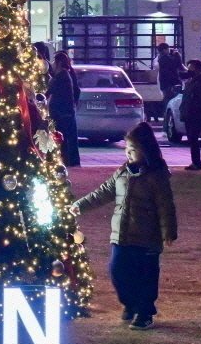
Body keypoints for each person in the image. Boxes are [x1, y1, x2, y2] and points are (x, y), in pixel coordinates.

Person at [76, 120, 177, 330]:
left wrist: (168, 231)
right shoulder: (122, 173)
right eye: (126, 149)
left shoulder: (157, 176)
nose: (128, 154)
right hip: (121, 235)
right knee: (117, 271)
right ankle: (130, 304)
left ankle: (144, 312)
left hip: (146, 238)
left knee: (145, 276)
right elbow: (103, 192)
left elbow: (166, 206)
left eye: (132, 150)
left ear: (145, 150)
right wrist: (79, 205)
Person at [47, 50, 81, 168]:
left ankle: (66, 163)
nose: (52, 64)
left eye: (54, 61)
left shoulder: (61, 76)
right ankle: (70, 162)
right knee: (67, 140)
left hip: (61, 114)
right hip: (65, 113)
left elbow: (49, 90)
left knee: (63, 140)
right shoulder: (66, 74)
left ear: (59, 63)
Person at [179, 57, 201, 170]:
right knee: (192, 139)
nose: (188, 71)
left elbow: (197, 99)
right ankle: (195, 162)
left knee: (193, 139)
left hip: (195, 114)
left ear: (197, 69)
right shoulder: (193, 80)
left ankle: (197, 163)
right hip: (189, 113)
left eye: (191, 68)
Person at [155, 40, 185, 118]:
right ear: (164, 50)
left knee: (167, 101)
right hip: (171, 84)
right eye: (168, 49)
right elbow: (178, 65)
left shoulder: (160, 58)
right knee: (173, 103)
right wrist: (177, 54)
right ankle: (169, 118)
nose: (169, 50)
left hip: (165, 84)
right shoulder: (165, 58)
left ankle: (167, 118)